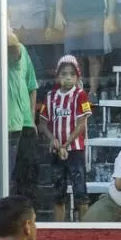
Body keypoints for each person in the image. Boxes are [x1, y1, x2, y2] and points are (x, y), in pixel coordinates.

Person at [39, 56, 91, 222]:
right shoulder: (50, 96)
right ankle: (58, 228)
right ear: (57, 76)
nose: (68, 77)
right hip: (56, 151)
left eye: (71, 74)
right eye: (63, 74)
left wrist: (65, 145)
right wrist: (52, 138)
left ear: (77, 77)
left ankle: (85, 230)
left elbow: (81, 124)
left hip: (75, 150)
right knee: (58, 193)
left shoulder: (81, 95)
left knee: (80, 192)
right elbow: (42, 123)